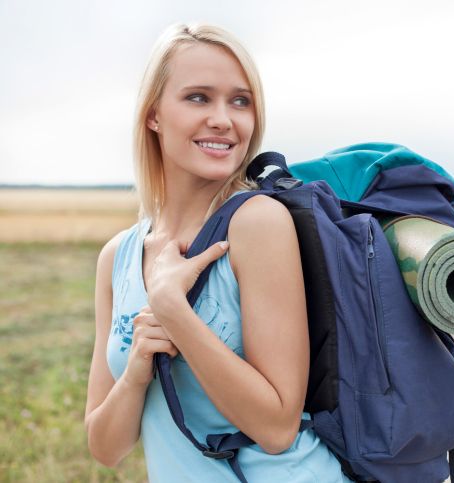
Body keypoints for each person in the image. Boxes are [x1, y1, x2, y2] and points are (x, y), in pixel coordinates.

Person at [84, 22, 353, 482]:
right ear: (153, 115)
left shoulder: (257, 223)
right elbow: (106, 448)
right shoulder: (118, 257)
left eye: (240, 101)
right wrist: (134, 373)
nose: (224, 119)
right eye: (198, 97)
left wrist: (175, 313)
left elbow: (277, 428)